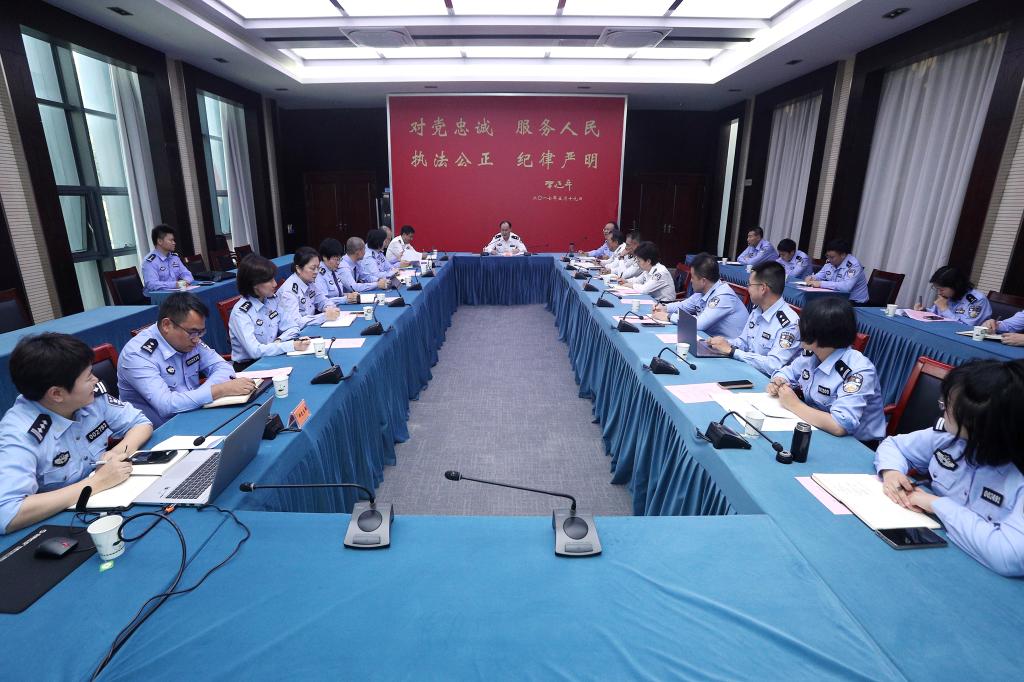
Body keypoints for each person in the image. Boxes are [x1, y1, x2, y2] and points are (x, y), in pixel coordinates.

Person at [875, 359, 1024, 577]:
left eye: (949, 406)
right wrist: (892, 472)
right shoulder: (949, 437)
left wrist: (936, 504)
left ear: (980, 423)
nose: (943, 410)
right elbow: (894, 445)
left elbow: (1009, 557)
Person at [0, 333, 153, 534]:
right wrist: (96, 483)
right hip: (60, 527)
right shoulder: (20, 434)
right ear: (57, 394)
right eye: (88, 377)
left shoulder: (90, 399)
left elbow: (140, 423)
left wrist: (116, 453)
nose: (95, 380)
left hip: (106, 504)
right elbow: (7, 513)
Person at [119, 293, 253, 426]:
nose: (197, 339)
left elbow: (223, 367)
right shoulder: (137, 355)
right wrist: (219, 390)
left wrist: (204, 395)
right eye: (192, 332)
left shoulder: (189, 339)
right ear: (166, 325)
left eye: (201, 332)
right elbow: (166, 405)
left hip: (196, 414)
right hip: (160, 430)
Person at [767, 297, 885, 443]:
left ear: (822, 333)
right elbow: (787, 372)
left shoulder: (858, 370)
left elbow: (840, 425)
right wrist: (778, 381)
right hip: (816, 427)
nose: (797, 328)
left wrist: (794, 405)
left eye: (803, 324)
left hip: (855, 445)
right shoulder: (812, 354)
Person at [706, 261, 802, 376]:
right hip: (746, 369)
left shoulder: (789, 323)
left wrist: (732, 351)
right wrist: (723, 343)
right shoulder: (758, 309)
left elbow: (773, 365)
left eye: (750, 285)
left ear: (763, 288)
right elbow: (743, 342)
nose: (748, 289)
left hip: (767, 380)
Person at [229, 255, 309, 368]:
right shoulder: (241, 313)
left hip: (273, 356)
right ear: (254, 284)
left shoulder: (272, 300)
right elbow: (255, 351)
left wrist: (279, 340)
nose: (275, 284)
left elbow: (293, 327)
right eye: (269, 280)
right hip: (250, 367)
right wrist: (290, 346)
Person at [652, 253, 746, 338]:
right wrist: (664, 308)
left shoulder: (723, 296)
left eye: (693, 277)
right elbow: (683, 306)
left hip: (729, 346)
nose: (691, 281)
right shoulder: (703, 291)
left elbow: (699, 324)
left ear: (703, 281)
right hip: (710, 340)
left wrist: (669, 316)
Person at [278, 247, 341, 328]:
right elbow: (295, 322)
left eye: (318, 268)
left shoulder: (309, 282)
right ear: (298, 269)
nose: (316, 272)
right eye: (312, 268)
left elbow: (323, 301)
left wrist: (330, 308)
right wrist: (324, 316)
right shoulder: (288, 292)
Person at [913, 265, 992, 327]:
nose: (939, 293)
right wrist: (924, 311)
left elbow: (966, 327)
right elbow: (936, 314)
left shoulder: (977, 300)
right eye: (937, 289)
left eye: (942, 289)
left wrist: (944, 309)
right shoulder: (948, 295)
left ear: (956, 286)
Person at [803, 238, 869, 304]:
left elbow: (846, 287)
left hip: (854, 302)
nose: (829, 259)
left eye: (832, 257)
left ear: (843, 255)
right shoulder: (830, 262)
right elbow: (820, 275)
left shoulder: (854, 265)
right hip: (837, 297)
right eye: (827, 256)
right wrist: (812, 278)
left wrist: (821, 284)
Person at [141, 224, 193, 294]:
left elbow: (187, 274)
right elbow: (152, 284)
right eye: (171, 240)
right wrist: (175, 284)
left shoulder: (174, 257)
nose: (174, 243)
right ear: (160, 241)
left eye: (173, 240)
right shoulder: (150, 261)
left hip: (175, 294)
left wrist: (185, 281)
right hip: (158, 297)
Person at [315, 238, 359, 304]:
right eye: (335, 259)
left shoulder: (333, 270)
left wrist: (349, 295)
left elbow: (338, 294)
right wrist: (345, 299)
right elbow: (322, 301)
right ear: (325, 257)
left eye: (339, 259)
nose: (338, 263)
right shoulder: (319, 275)